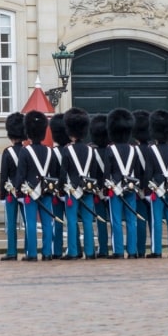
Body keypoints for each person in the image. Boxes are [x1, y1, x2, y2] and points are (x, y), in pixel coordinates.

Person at [16, 110, 58, 261]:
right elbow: (53, 173)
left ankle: (32, 254)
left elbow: (21, 174)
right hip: (46, 191)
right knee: (47, 223)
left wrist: (19, 191)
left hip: (30, 192)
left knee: (31, 223)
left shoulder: (24, 151)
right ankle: (47, 253)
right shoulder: (49, 151)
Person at [105, 108, 142, 259]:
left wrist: (106, 187)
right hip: (131, 188)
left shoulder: (110, 149)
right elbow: (138, 171)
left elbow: (107, 171)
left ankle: (118, 251)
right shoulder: (134, 149)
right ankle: (132, 251)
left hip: (115, 188)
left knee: (116, 221)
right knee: (131, 220)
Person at [61, 108, 96, 259]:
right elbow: (93, 172)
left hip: (72, 190)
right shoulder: (90, 150)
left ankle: (73, 251)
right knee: (88, 222)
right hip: (87, 189)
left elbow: (64, 172)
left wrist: (62, 190)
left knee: (72, 221)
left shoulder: (67, 150)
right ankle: (90, 252)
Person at [144, 110, 168, 258]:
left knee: (156, 220)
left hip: (157, 188)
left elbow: (148, 172)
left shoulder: (151, 150)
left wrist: (146, 190)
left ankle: (156, 251)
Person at [0, 112, 25, 261]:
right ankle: (29, 250)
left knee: (11, 223)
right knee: (28, 223)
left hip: (11, 192)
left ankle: (12, 251)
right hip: (26, 191)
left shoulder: (7, 152)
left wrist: (2, 194)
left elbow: (3, 175)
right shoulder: (28, 151)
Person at [48, 112, 69, 260]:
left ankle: (57, 249)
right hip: (72, 190)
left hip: (56, 191)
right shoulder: (70, 150)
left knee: (57, 221)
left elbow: (51, 172)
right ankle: (75, 248)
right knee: (72, 221)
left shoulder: (52, 152)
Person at [89, 115, 111, 258]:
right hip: (112, 189)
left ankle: (103, 248)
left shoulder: (92, 152)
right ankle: (116, 247)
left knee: (101, 221)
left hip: (97, 190)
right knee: (115, 221)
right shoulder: (112, 150)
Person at [132, 109, 152, 258]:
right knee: (154, 220)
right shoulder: (154, 149)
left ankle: (140, 250)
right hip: (153, 189)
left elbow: (135, 171)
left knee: (140, 221)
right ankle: (155, 247)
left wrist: (140, 188)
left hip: (139, 190)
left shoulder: (134, 151)